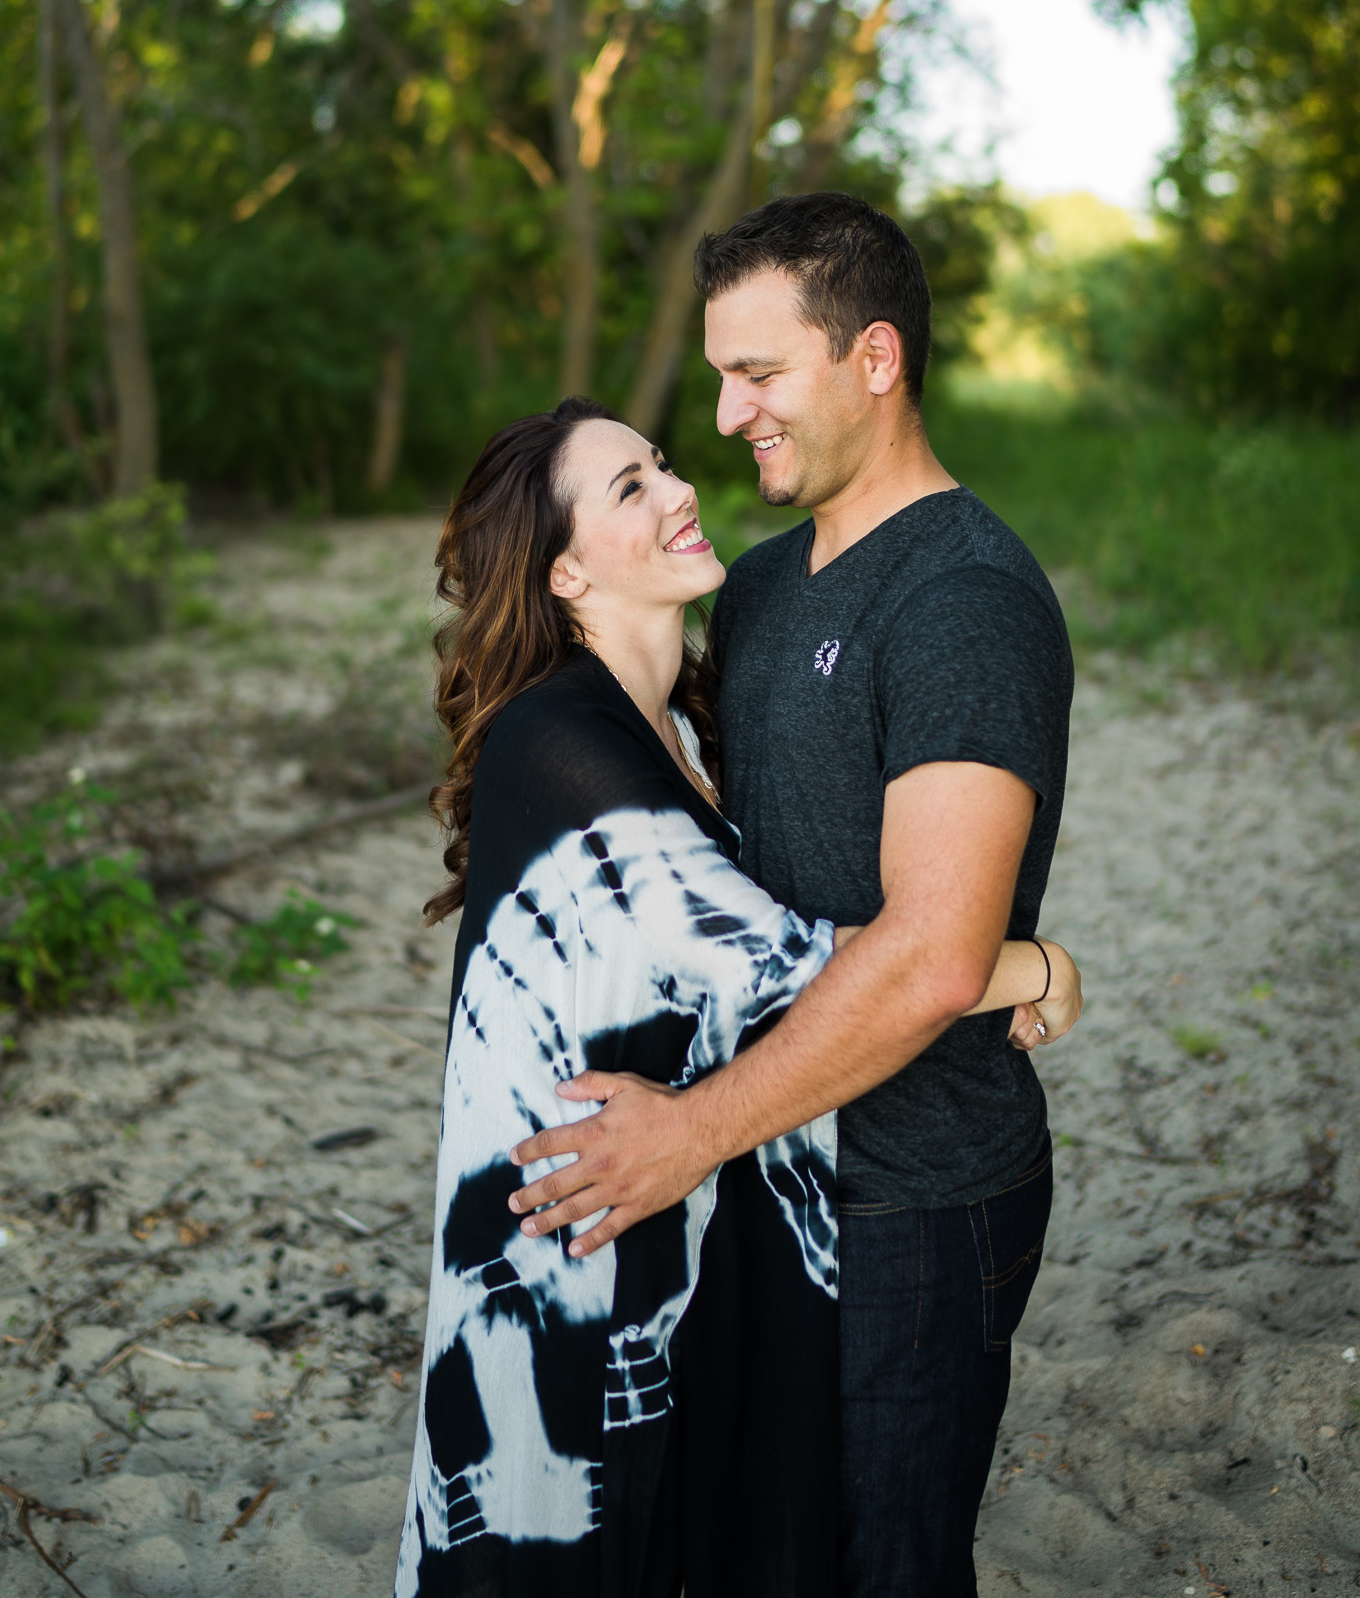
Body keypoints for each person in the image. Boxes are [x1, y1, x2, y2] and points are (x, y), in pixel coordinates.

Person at [396, 393, 1081, 1598]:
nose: (678, 489)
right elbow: (769, 962)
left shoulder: (677, 729)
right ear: (562, 572)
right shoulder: (560, 743)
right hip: (563, 1251)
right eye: (630, 489)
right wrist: (1023, 966)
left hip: (655, 1218)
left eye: (661, 465)